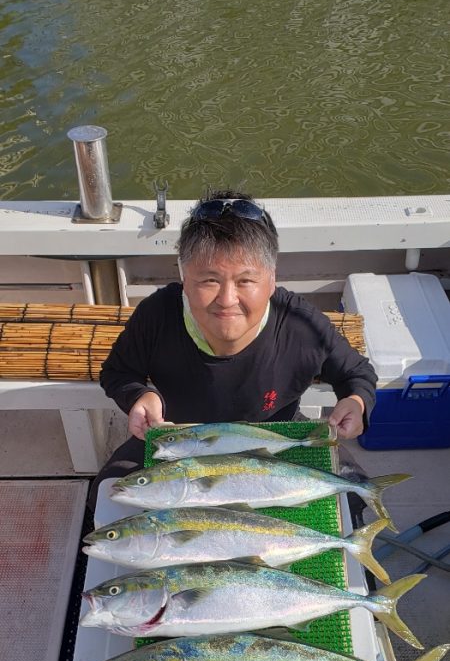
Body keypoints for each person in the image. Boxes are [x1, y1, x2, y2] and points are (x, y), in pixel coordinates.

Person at [89, 189, 377, 509]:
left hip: (277, 441)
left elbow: (356, 372)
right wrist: (139, 396)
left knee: (353, 494)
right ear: (184, 278)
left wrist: (356, 401)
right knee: (109, 491)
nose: (227, 300)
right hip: (177, 439)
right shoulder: (157, 314)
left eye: (245, 281)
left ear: (271, 279)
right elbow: (118, 371)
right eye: (209, 280)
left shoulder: (301, 325)